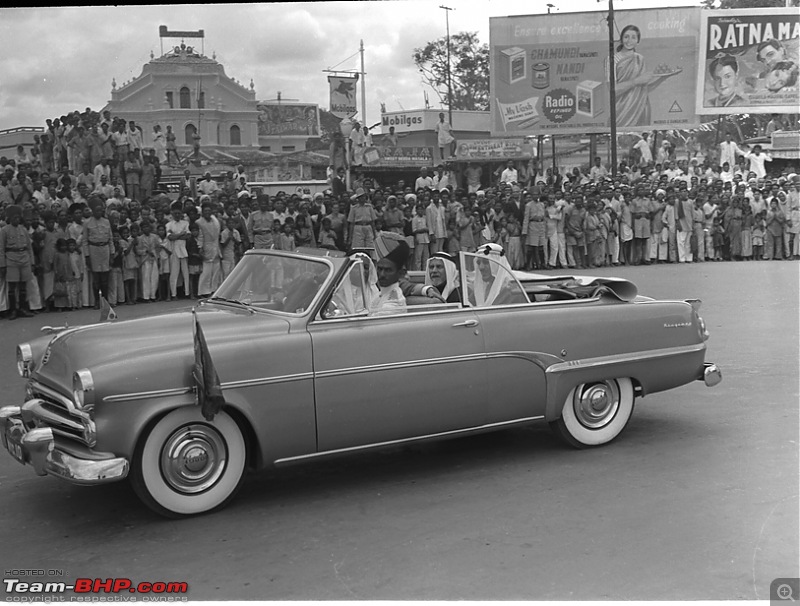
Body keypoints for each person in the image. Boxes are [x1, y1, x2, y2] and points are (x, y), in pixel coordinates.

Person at [0, 204, 35, 319]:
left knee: (23, 285)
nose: (17, 219)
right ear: (9, 218)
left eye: (18, 217)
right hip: (11, 258)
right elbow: (1, 248)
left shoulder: (23, 229)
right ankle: (13, 310)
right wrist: (2, 265)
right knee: (12, 286)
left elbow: (29, 247)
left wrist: (32, 262)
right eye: (14, 217)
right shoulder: (4, 231)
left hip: (24, 257)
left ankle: (23, 309)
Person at [82, 197, 114, 309]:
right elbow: (85, 240)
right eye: (96, 210)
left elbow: (110, 239)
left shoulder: (106, 221)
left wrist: (112, 253)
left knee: (105, 278)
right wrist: (87, 255)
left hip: (104, 249)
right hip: (93, 249)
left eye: (100, 210)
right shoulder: (87, 223)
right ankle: (96, 301)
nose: (98, 212)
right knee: (96, 279)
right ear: (92, 211)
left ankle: (105, 300)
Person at [370, 239, 409, 316]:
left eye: (388, 270)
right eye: (380, 269)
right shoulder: (378, 295)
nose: (382, 274)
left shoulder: (395, 301)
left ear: (401, 273)